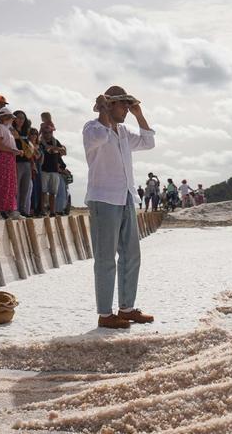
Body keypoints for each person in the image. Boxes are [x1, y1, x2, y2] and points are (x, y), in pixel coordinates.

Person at [83, 86, 155, 329]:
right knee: (105, 258)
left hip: (125, 197)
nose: (126, 108)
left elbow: (149, 142)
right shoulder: (92, 128)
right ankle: (105, 314)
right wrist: (103, 110)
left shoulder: (124, 131)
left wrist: (139, 114)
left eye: (127, 104)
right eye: (123, 104)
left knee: (131, 254)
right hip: (103, 198)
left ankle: (126, 309)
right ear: (109, 105)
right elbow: (101, 136)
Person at [0, 107, 22, 219]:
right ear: (5, 117)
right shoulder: (0, 127)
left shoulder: (7, 129)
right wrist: (12, 151)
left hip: (9, 158)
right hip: (3, 157)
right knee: (3, 184)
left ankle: (10, 209)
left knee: (10, 184)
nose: (12, 120)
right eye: (10, 117)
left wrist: (15, 151)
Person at [39, 122, 66, 217]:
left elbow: (63, 151)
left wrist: (59, 149)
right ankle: (42, 210)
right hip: (44, 169)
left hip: (54, 170)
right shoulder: (40, 142)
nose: (47, 134)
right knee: (43, 192)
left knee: (53, 193)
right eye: (45, 132)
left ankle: (52, 212)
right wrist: (58, 149)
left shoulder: (55, 141)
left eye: (49, 132)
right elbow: (48, 149)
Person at [13, 110, 35, 217]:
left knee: (25, 188)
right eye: (18, 117)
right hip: (16, 161)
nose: (21, 120)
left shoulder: (26, 131)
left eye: (23, 118)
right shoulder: (12, 130)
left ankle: (22, 209)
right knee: (16, 187)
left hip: (26, 162)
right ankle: (14, 209)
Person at [27, 127, 44, 216]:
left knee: (38, 189)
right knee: (30, 189)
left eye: (35, 134)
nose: (34, 135)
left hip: (38, 168)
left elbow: (39, 158)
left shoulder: (39, 146)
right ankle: (30, 208)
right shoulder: (27, 144)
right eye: (32, 133)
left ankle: (38, 209)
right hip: (29, 167)